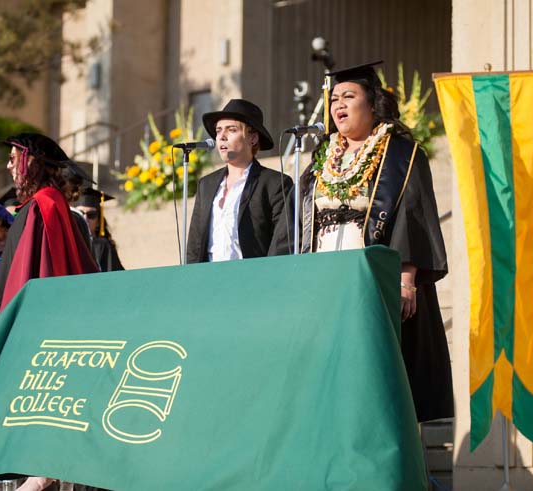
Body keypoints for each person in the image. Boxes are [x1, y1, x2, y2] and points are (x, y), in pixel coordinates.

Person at [269, 61, 452, 423]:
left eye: (348, 96)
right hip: (322, 284)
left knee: (372, 374)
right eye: (334, 98)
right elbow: (293, 225)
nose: (338, 105)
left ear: (372, 104)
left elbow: (411, 216)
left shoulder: (401, 155)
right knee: (325, 373)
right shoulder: (322, 159)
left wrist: (406, 279)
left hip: (372, 282)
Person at [0, 133, 98, 324]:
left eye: (12, 158)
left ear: (30, 162)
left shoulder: (40, 207)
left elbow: (32, 272)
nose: (8, 166)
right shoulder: (52, 201)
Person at [186, 99, 293, 263]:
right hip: (208, 280)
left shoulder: (274, 184)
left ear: (253, 138)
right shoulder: (206, 185)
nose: (222, 136)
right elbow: (194, 246)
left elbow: (282, 244)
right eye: (218, 130)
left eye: (232, 130)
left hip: (251, 280)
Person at [75, 187, 124, 272]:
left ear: (98, 222)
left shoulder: (103, 246)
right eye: (80, 213)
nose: (85, 219)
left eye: (91, 215)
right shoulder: (68, 244)